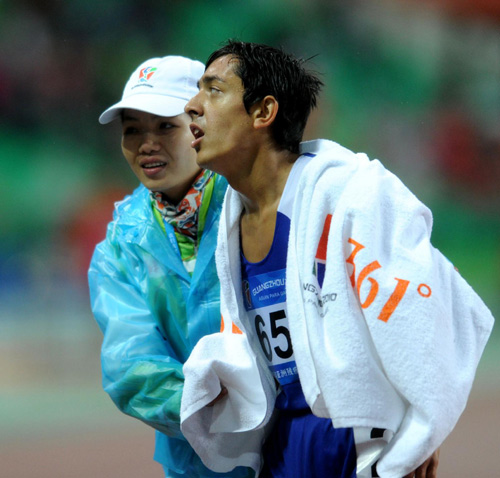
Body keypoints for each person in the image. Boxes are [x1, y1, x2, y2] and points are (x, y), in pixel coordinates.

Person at [179, 41, 495, 478]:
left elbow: (417, 304)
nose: (192, 106)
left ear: (263, 112)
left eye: (213, 90)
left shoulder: (353, 194)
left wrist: (421, 427)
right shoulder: (230, 220)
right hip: (282, 444)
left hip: (353, 436)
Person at [88, 55, 253, 478]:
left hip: (294, 450)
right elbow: (132, 367)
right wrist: (234, 418)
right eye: (133, 130)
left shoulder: (255, 202)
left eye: (165, 125)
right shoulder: (122, 245)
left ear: (203, 121)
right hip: (197, 462)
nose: (147, 144)